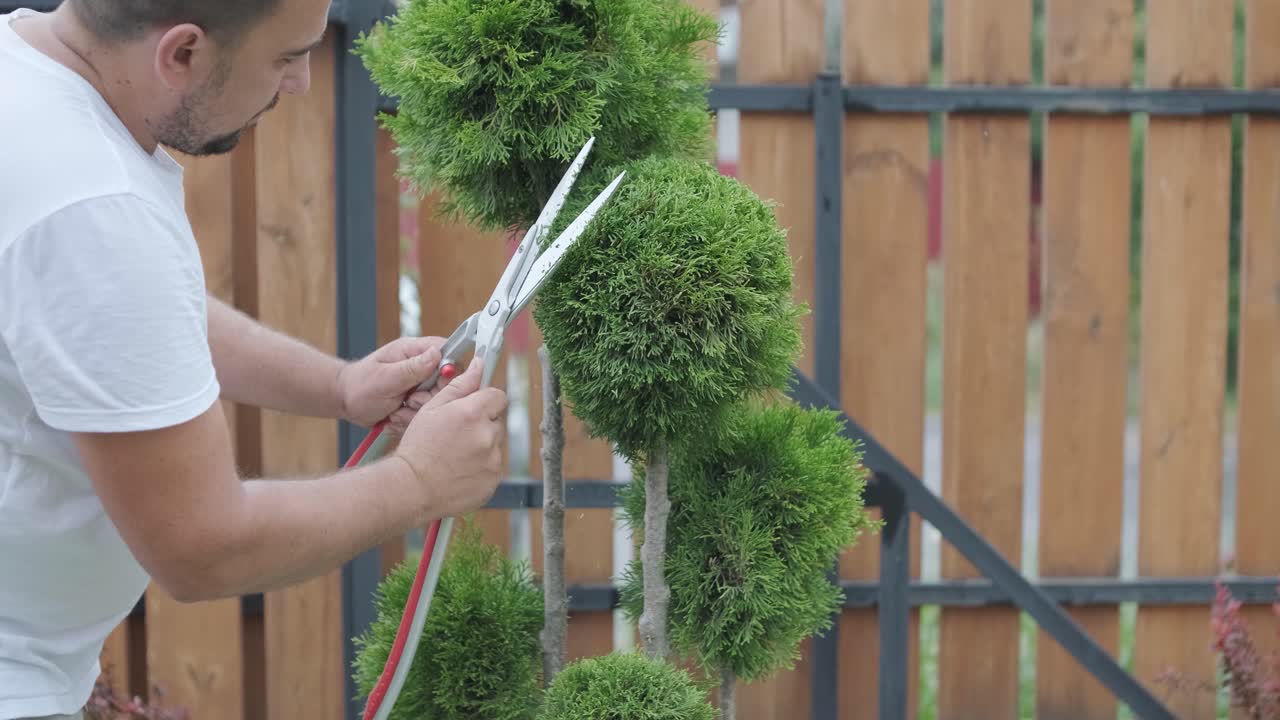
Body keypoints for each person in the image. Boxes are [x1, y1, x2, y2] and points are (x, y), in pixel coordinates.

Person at [0, 0, 510, 717]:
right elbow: (203, 546)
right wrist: (421, 482)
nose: (301, 80)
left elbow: (141, 320)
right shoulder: (93, 209)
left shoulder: (21, 70)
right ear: (181, 53)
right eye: (287, 56)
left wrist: (339, 386)